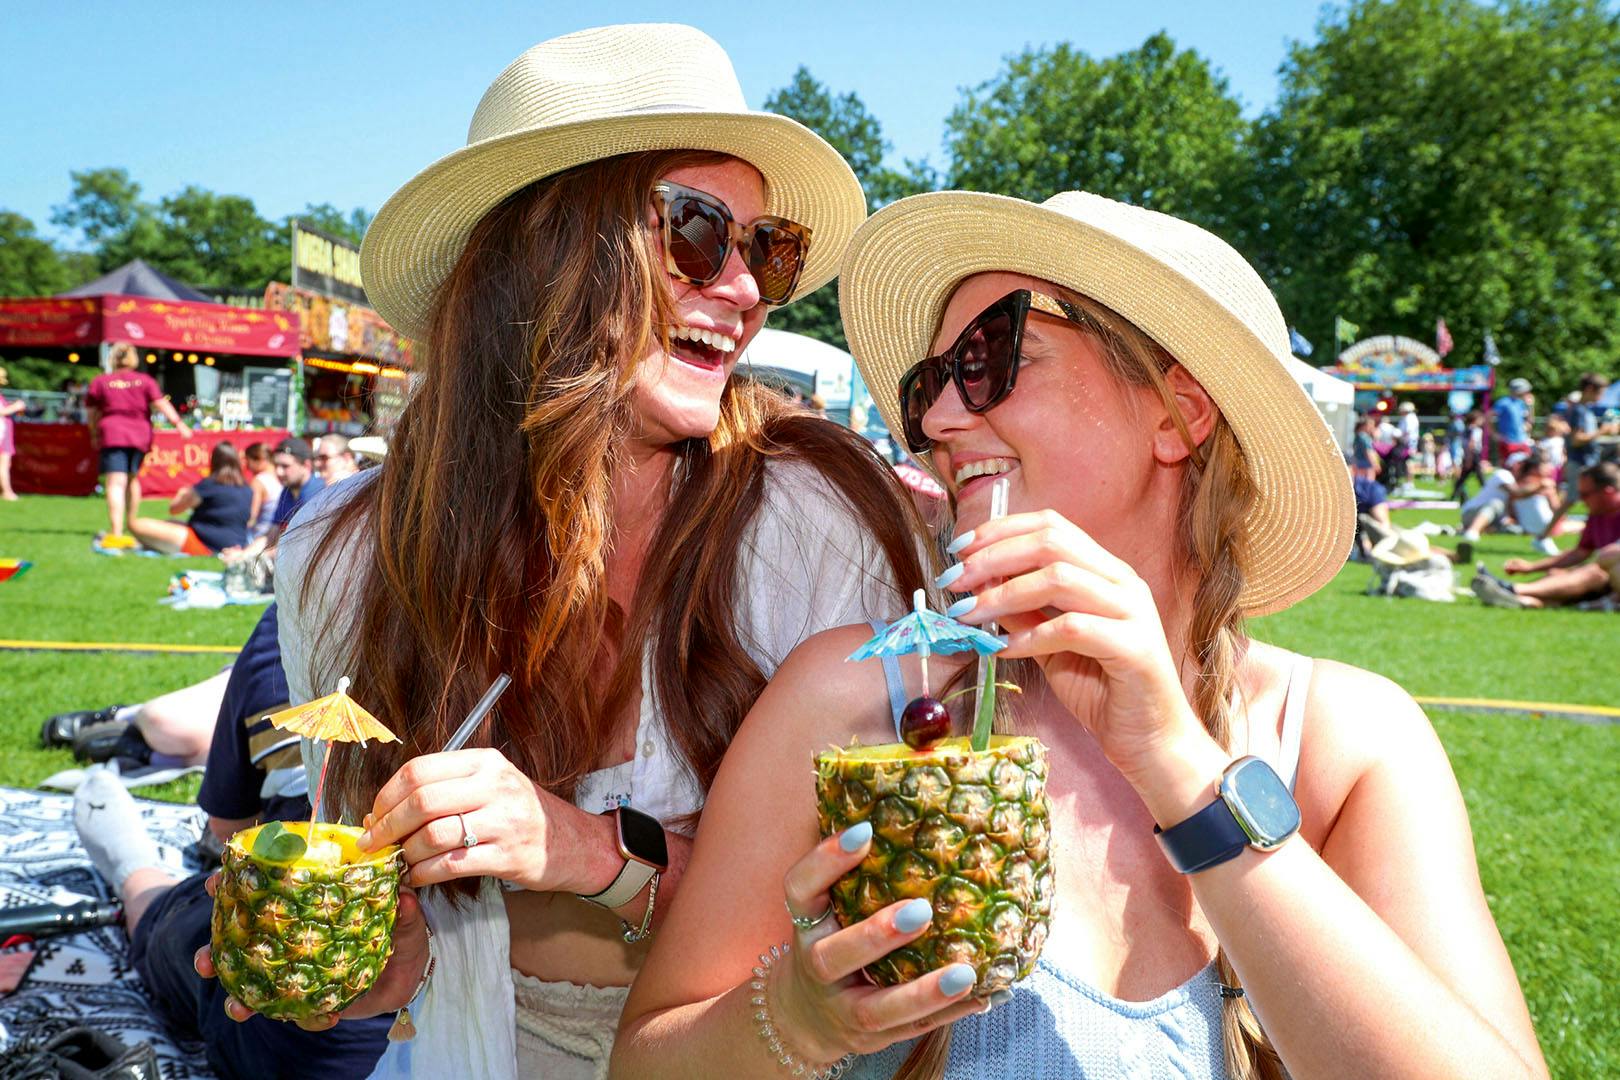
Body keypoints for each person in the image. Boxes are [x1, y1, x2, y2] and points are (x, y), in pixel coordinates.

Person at [613, 190, 1547, 1079]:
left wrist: (1181, 770)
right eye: (928, 384)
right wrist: (801, 1020)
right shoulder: (855, 699)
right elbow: (647, 1061)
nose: (936, 422)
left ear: (1178, 411)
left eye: (989, 355)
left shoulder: (1346, 745)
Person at [196, 24, 916, 1080]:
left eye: (770, 250)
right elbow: (395, 925)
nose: (750, 290)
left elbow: (872, 919)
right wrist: (377, 961)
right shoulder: (342, 554)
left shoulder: (812, 523)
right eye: (702, 232)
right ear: (543, 249)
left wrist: (592, 854)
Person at [71, 605, 394, 1079]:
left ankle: (134, 868)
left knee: (160, 914)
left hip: (301, 1045)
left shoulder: (292, 614)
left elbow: (227, 824)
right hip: (317, 935)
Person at [86, 342, 192, 547]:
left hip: (113, 433)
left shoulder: (101, 381)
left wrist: (93, 432)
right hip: (139, 435)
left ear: (113, 358)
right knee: (132, 480)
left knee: (116, 483)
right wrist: (180, 425)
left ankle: (116, 531)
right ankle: (132, 524)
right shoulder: (145, 381)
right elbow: (160, 403)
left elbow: (92, 413)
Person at [1472, 462, 1620, 610]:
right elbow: (1579, 553)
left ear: (1608, 492)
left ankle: (1511, 589)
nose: (1581, 500)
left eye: (1585, 494)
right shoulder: (1597, 515)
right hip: (1607, 584)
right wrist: (1531, 567)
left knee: (1594, 572)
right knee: (1557, 573)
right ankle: (1524, 601)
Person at [128, 441, 255, 555]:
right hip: (236, 543)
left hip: (204, 544)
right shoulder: (247, 488)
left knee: (136, 524)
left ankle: (161, 546)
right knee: (171, 522)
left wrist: (182, 493)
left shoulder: (209, 485)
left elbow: (175, 509)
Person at [1541, 373, 1620, 542]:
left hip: (1586, 462)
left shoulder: (1584, 410)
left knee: (1588, 501)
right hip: (1580, 462)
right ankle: (1543, 537)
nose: (1601, 397)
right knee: (1575, 500)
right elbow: (1577, 440)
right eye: (1600, 393)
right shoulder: (1578, 411)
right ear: (1590, 389)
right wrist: (1602, 431)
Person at [220, 437, 324, 565]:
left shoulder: (317, 495)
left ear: (306, 465)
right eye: (276, 465)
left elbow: (299, 547)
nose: (279, 472)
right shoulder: (287, 491)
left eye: (285, 466)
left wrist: (248, 557)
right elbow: (272, 533)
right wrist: (244, 554)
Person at [242, 441, 282, 540]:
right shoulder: (282, 476)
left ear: (259, 459)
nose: (247, 467)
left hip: (260, 536)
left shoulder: (258, 481)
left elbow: (251, 517)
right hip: (279, 534)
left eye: (248, 461)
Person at [1489, 377, 1533, 462]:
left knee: (1525, 466)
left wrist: (1530, 406)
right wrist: (1494, 433)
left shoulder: (1521, 403)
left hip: (1521, 440)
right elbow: (1488, 417)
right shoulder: (1503, 402)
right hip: (1508, 441)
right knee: (1509, 466)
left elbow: (1529, 421)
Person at [0, 364, 24, 500]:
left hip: (4, 433)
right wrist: (16, 406)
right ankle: (7, 492)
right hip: (1, 434)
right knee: (3, 464)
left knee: (5, 464)